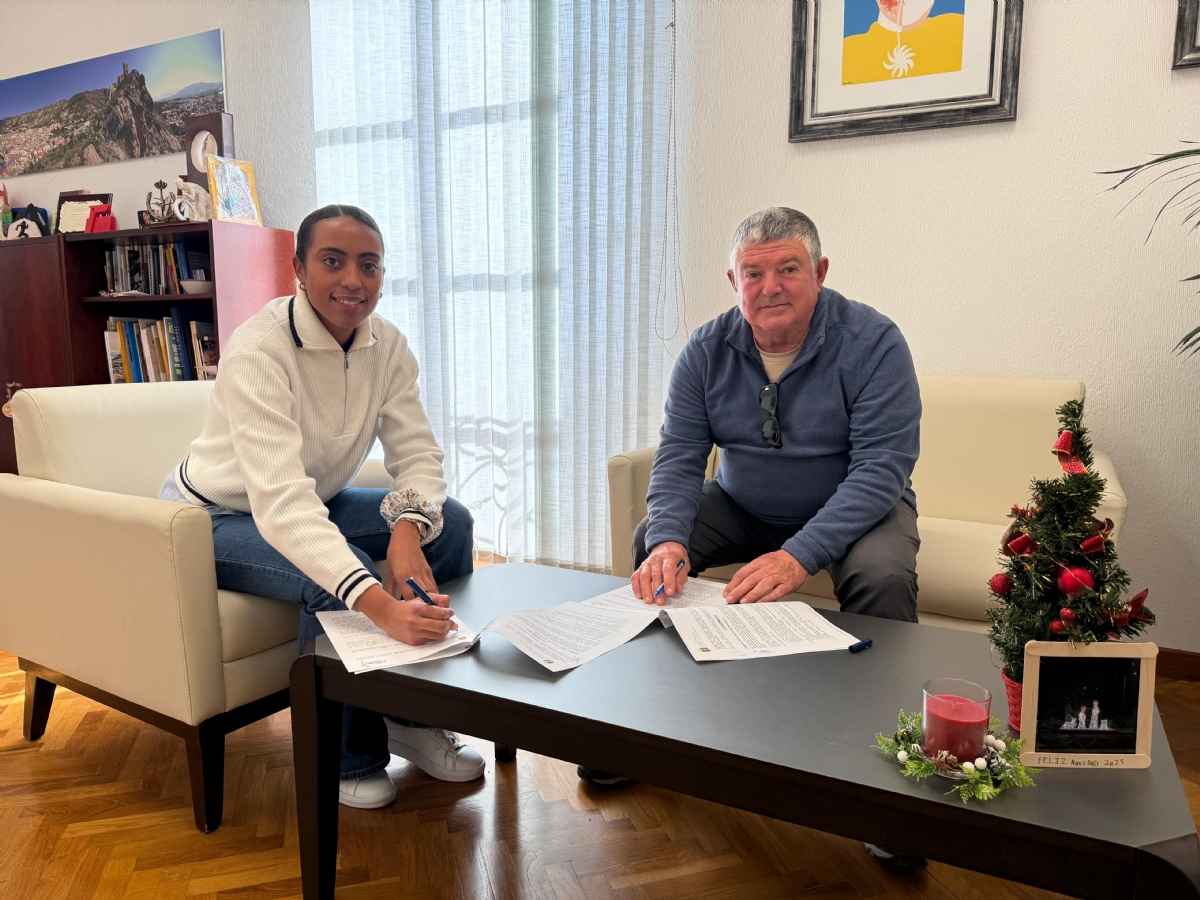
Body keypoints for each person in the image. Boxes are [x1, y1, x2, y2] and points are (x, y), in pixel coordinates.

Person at [580, 207, 923, 865]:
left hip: (854, 509)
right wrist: (670, 540)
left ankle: (891, 790)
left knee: (883, 577)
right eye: (754, 273)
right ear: (733, 281)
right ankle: (643, 733)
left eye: (788, 269)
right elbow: (680, 455)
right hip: (741, 504)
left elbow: (882, 468)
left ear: (820, 272)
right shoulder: (705, 351)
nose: (771, 287)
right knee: (653, 544)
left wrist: (799, 556)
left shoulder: (874, 342)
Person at [160, 204, 484, 810]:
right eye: (332, 261)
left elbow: (418, 453)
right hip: (213, 518)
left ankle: (412, 717)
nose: (353, 280)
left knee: (452, 525)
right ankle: (347, 755)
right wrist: (382, 607)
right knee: (337, 570)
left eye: (369, 265)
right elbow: (282, 505)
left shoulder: (387, 345)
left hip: (313, 497)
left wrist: (407, 529)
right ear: (299, 269)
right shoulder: (260, 348)